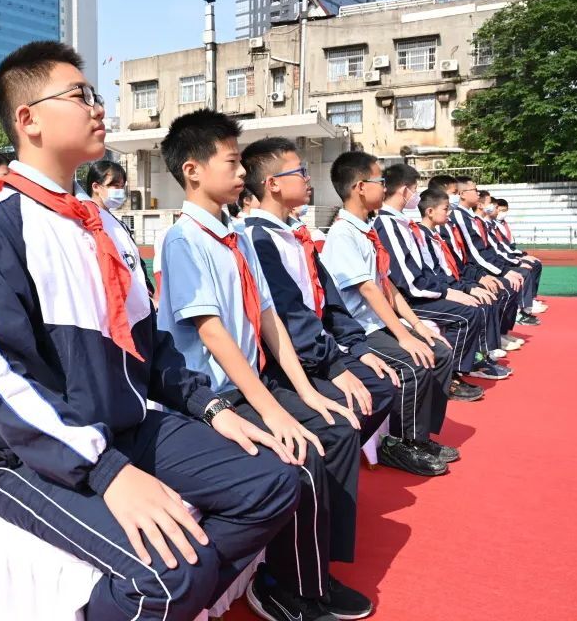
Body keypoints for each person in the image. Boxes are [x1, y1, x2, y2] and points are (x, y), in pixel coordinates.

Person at [0, 41, 300, 621]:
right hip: (27, 454)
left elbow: (149, 342)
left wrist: (210, 408)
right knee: (171, 575)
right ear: (27, 119)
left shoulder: (102, 222)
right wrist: (107, 473)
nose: (98, 108)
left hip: (126, 425)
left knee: (275, 482)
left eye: (95, 95)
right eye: (79, 96)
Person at [156, 111, 370, 621]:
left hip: (257, 380)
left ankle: (317, 568)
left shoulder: (239, 237)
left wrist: (307, 393)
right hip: (217, 395)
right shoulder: (185, 240)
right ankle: (284, 585)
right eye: (231, 163)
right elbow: (214, 335)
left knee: (337, 429)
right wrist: (273, 410)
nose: (240, 174)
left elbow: (269, 319)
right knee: (303, 454)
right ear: (192, 171)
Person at [238, 137, 403, 620]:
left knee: (381, 384)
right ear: (272, 184)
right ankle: (292, 577)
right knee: (337, 421)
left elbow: (328, 305)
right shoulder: (257, 238)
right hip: (283, 368)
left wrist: (352, 355)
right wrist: (335, 368)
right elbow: (288, 319)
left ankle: (324, 530)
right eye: (300, 173)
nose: (309, 180)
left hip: (315, 358)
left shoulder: (295, 234)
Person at [320, 152, 456, 477]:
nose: (385, 187)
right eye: (380, 181)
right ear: (358, 187)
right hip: (360, 330)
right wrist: (405, 336)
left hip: (378, 323)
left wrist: (417, 326)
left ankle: (421, 436)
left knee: (437, 349)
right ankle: (400, 443)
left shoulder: (366, 229)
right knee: (414, 364)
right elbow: (369, 290)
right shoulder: (342, 235)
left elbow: (388, 285)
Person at [373, 163, 502, 390]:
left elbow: (425, 271)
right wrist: (449, 292)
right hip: (409, 299)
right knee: (467, 314)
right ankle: (451, 376)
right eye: (414, 189)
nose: (415, 196)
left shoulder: (401, 223)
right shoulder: (388, 224)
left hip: (421, 291)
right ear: (405, 191)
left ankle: (465, 366)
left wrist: (456, 289)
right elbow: (407, 280)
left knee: (473, 305)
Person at [427, 175, 524, 352]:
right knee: (488, 296)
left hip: (462, 274)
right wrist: (465, 287)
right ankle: (482, 351)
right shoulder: (443, 224)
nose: (477, 194)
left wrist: (480, 277)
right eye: (454, 193)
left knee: (501, 288)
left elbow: (463, 259)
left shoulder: (450, 222)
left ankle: (495, 339)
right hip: (449, 282)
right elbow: (462, 258)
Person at [416, 187, 511, 366]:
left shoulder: (437, 235)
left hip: (450, 282)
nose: (449, 212)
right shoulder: (421, 236)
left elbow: (455, 267)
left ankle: (486, 351)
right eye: (446, 209)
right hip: (433, 291)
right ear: (430, 211)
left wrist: (471, 283)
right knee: (473, 308)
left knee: (488, 295)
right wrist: (461, 289)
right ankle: (467, 364)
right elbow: (434, 274)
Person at [451, 177, 540, 327]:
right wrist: (503, 271)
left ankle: (503, 331)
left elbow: (492, 248)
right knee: (508, 284)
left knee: (516, 278)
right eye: (474, 190)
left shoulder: (471, 218)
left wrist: (514, 262)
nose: (477, 193)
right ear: (462, 193)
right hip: (473, 269)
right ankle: (505, 327)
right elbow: (475, 252)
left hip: (479, 266)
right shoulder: (459, 217)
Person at [83, 159, 156, 296]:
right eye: (114, 185)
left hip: (140, 303)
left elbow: (137, 262)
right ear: (96, 187)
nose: (120, 191)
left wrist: (148, 290)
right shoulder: (88, 222)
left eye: (122, 186)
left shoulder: (119, 223)